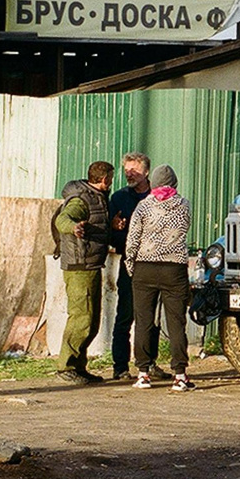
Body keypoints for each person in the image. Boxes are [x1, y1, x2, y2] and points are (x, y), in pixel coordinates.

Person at [125, 163, 196, 390]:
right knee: (176, 322)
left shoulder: (143, 206)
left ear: (153, 183)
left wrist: (130, 264)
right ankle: (180, 375)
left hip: (145, 267)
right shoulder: (184, 205)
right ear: (174, 183)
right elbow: (184, 229)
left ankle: (143, 373)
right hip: (173, 269)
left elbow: (133, 237)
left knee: (144, 321)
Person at [53, 162, 115, 382]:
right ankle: (66, 367)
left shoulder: (97, 197)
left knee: (91, 319)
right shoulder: (81, 199)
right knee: (81, 318)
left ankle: (79, 367)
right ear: (105, 179)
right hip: (79, 266)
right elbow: (63, 219)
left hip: (92, 264)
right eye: (111, 178)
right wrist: (73, 227)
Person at [103, 151, 150, 379]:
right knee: (125, 315)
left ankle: (147, 364)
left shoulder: (157, 196)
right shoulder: (119, 198)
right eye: (127, 171)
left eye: (135, 170)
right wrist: (114, 227)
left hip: (154, 263)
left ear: (146, 172)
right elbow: (109, 235)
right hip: (129, 264)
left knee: (150, 317)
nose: (130, 174)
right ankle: (120, 366)